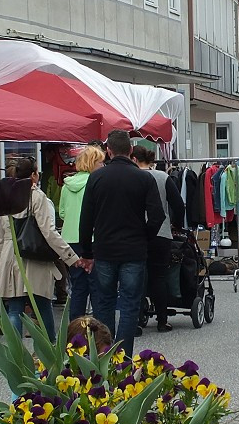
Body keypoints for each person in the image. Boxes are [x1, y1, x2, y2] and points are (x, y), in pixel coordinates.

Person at [77, 130, 164, 357]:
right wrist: (144, 236)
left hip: (104, 249)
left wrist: (86, 251)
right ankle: (123, 357)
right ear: (131, 151)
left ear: (108, 151)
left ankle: (105, 353)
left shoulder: (96, 178)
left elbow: (85, 218)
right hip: (134, 250)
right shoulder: (145, 178)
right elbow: (157, 216)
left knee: (104, 303)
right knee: (129, 305)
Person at [0, 157, 81, 341]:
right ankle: (50, 351)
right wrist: (70, 257)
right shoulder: (36, 196)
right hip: (33, 252)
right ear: (34, 175)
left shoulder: (5, 197)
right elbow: (48, 231)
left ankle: (15, 354)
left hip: (10, 254)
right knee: (43, 304)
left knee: (15, 307)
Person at [131, 146, 185, 332]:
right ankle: (162, 320)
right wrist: (176, 225)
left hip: (136, 234)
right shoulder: (163, 177)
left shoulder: (132, 177)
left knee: (137, 277)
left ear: (135, 159)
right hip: (161, 233)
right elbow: (178, 204)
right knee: (159, 276)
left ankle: (137, 320)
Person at [58, 144, 105, 321]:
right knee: (96, 286)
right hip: (92, 238)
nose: (103, 166)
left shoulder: (66, 185)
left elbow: (62, 212)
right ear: (93, 163)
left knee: (78, 287)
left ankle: (74, 329)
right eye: (100, 163)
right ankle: (100, 329)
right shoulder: (95, 183)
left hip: (70, 239)